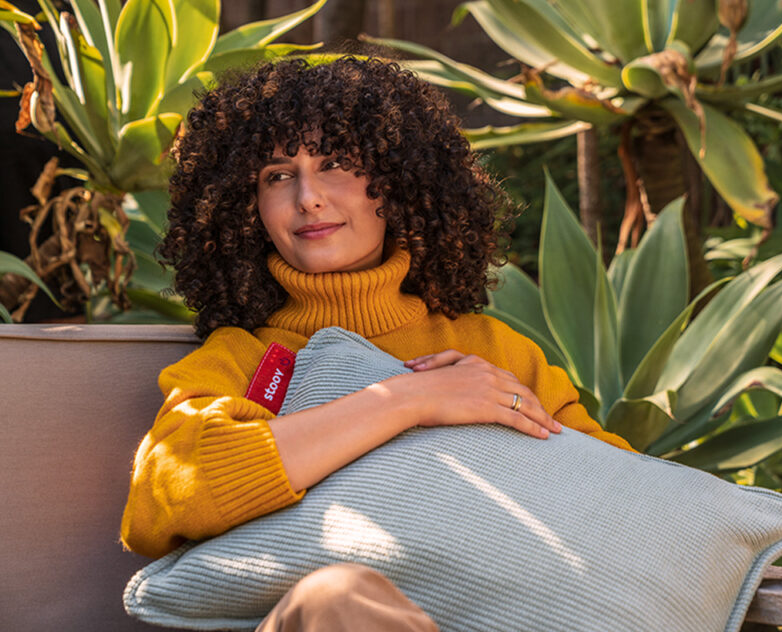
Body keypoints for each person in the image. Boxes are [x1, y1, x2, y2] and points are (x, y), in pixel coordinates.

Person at [120, 55, 634, 631]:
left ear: (397, 183)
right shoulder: (239, 360)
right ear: (249, 210)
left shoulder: (493, 350)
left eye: (335, 163)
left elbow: (626, 501)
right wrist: (408, 400)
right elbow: (163, 498)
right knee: (337, 600)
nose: (307, 197)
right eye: (277, 175)